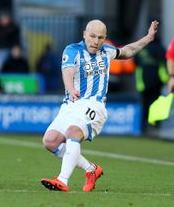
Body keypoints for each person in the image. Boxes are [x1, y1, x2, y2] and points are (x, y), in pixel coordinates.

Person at [40, 19, 159, 192]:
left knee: (73, 132)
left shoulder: (107, 51)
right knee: (50, 141)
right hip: (71, 104)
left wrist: (148, 38)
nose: (96, 41)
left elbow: (127, 51)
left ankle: (62, 180)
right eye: (93, 36)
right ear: (84, 34)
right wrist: (71, 88)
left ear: (105, 38)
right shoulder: (72, 50)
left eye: (101, 38)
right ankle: (91, 169)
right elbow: (67, 70)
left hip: (94, 105)